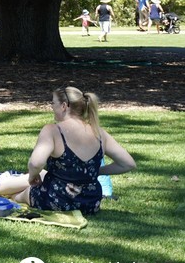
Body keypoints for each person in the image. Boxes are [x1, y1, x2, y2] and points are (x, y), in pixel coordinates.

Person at [7, 86, 136, 215]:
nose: (52, 107)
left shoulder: (53, 130)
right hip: (90, 204)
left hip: (56, 200)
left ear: (64, 106)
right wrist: (95, 172)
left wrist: (32, 176)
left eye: (53, 103)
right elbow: (128, 164)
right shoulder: (99, 133)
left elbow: (35, 163)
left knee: (17, 196)